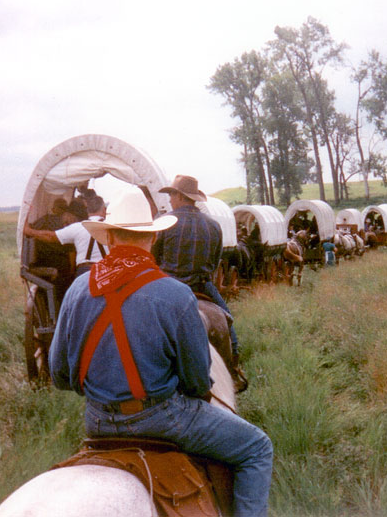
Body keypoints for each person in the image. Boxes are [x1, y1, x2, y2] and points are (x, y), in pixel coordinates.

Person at [48, 188, 273, 517]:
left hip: (97, 421)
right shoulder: (176, 295)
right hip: (163, 419)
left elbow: (59, 376)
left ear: (109, 237)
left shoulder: (77, 289)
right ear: (152, 239)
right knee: (257, 448)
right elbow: (198, 382)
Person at [152, 175, 240, 360]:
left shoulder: (164, 222)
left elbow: (153, 257)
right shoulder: (214, 225)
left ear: (180, 196)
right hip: (202, 285)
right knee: (226, 319)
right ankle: (234, 363)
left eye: (171, 195)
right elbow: (215, 262)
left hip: (168, 285)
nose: (169, 199)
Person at [25, 195, 107, 278]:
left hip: (85, 272)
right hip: (107, 271)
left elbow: (50, 237)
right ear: (104, 210)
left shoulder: (77, 227)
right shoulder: (113, 228)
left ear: (88, 211)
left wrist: (29, 231)